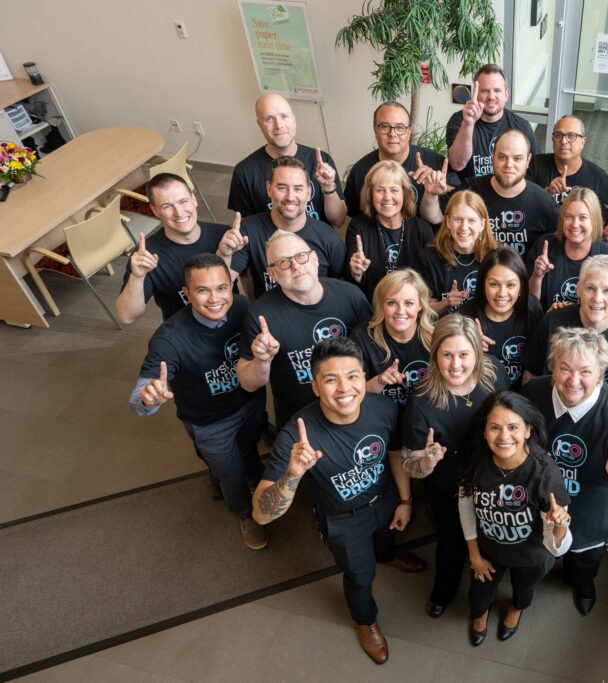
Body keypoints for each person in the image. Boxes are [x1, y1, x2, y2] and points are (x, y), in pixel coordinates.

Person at [252, 338, 409, 664]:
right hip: (343, 519)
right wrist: (292, 474)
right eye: (330, 379)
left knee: (387, 538)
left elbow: (393, 452)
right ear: (315, 386)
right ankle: (365, 621)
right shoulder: (296, 435)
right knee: (359, 576)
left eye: (352, 376)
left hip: (385, 498)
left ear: (363, 376)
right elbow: (261, 515)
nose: (344, 388)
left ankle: (388, 554)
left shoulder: (384, 408)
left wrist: (405, 499)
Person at [521, 327, 608, 614]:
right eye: (565, 369)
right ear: (553, 367)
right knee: (535, 555)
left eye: (585, 372)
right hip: (540, 502)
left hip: (591, 509)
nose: (574, 381)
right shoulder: (534, 393)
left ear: (600, 374)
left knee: (583, 562)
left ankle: (582, 583)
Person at [129, 253, 267, 549]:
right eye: (203, 290)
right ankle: (246, 514)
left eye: (221, 288)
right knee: (231, 475)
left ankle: (252, 477)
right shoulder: (170, 337)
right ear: (186, 293)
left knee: (249, 449)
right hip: (209, 422)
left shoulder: (243, 307)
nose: (215, 298)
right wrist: (147, 397)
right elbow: (145, 387)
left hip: (249, 403)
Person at [400, 315, 506, 619]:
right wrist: (427, 461)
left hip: (491, 480)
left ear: (477, 353)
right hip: (446, 487)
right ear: (435, 356)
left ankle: (483, 596)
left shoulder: (494, 375)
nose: (456, 364)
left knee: (490, 539)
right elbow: (409, 464)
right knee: (450, 543)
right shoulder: (422, 401)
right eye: (447, 355)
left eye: (464, 355)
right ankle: (443, 592)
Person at [458, 391, 571, 645]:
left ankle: (516, 610)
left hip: (531, 556)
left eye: (513, 427)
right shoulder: (476, 461)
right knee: (479, 593)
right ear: (484, 431)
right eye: (495, 428)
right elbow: (465, 505)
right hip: (488, 550)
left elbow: (555, 546)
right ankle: (480, 614)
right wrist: (474, 555)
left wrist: (560, 527)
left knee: (523, 591)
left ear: (528, 430)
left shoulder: (545, 475)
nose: (504, 436)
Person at [235, 231, 372, 429]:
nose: (296, 266)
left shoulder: (351, 295)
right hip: (301, 422)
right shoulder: (260, 315)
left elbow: (374, 349)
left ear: (315, 259)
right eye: (283, 262)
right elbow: (247, 382)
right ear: (271, 273)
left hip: (355, 409)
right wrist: (262, 361)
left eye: (301, 256)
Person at [525, 255, 608, 404]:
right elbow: (530, 378)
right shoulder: (552, 321)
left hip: (603, 421)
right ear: (578, 289)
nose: (597, 298)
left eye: (607, 290)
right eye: (590, 288)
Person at [219, 156, 346, 300]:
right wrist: (224, 255)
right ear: (268, 189)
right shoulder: (247, 231)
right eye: (282, 188)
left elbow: (342, 289)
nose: (290, 197)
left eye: (298, 188)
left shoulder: (328, 237)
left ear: (308, 193)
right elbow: (219, 284)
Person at [116, 173, 232, 325]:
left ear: (194, 199)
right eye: (167, 206)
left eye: (183, 201)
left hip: (231, 324)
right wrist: (136, 277)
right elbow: (126, 316)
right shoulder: (147, 255)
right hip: (185, 334)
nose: (178, 212)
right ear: (154, 210)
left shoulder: (223, 235)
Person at [229, 93, 345, 227]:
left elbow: (339, 221)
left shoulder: (322, 161)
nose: (279, 125)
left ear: (294, 120)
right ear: (259, 124)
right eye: (269, 119)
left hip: (319, 244)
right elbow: (248, 229)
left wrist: (328, 187)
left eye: (284, 116)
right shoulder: (245, 172)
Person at [438, 129, 557, 257]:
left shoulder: (544, 203)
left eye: (517, 159)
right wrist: (431, 195)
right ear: (493, 157)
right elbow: (435, 218)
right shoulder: (471, 189)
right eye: (502, 157)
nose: (509, 165)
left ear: (528, 161)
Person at [344, 102, 458, 220]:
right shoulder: (360, 171)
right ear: (375, 131)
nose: (392, 134)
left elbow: (458, 194)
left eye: (400, 127)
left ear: (409, 133)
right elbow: (355, 217)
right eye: (384, 126)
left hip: (428, 236)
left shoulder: (434, 161)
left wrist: (440, 185)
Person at [344, 160, 435, 296]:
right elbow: (351, 282)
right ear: (370, 194)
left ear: (404, 193)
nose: (387, 197)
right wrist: (356, 273)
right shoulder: (358, 227)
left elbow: (430, 283)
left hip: (412, 309)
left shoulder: (422, 230)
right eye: (380, 190)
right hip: (371, 309)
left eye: (394, 190)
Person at [351, 269, 435, 409]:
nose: (400, 311)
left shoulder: (436, 336)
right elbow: (353, 391)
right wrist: (380, 380)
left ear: (420, 305)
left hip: (423, 417)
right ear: (381, 305)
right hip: (379, 416)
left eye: (408, 303)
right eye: (391, 303)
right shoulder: (362, 337)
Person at [461, 247, 543, 390]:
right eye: (494, 284)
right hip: (482, 396)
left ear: (521, 287)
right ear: (483, 284)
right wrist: (468, 347)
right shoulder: (466, 315)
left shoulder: (532, 308)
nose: (502, 293)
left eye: (510, 285)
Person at [527, 187, 608, 309]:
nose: (575, 224)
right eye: (569, 216)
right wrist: (537, 276)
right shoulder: (544, 245)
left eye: (583, 217)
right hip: (548, 325)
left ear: (594, 220)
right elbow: (530, 306)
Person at [446, 64, 539, 180]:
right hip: (472, 195)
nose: (491, 96)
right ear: (475, 93)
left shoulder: (522, 127)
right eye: (484, 91)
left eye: (497, 90)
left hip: (508, 194)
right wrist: (468, 124)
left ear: (506, 95)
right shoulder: (460, 120)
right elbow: (457, 164)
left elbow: (535, 170)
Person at [416, 189, 499, 314]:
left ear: (482, 224)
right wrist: (445, 303)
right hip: (444, 330)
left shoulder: (497, 257)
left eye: (471, 220)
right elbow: (421, 310)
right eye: (458, 220)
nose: (464, 227)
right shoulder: (429, 257)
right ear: (448, 222)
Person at [526, 115, 608, 220]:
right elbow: (519, 206)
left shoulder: (599, 177)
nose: (564, 141)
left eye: (571, 136)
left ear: (583, 142)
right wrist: (546, 193)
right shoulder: (534, 165)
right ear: (553, 140)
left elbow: (605, 220)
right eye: (558, 135)